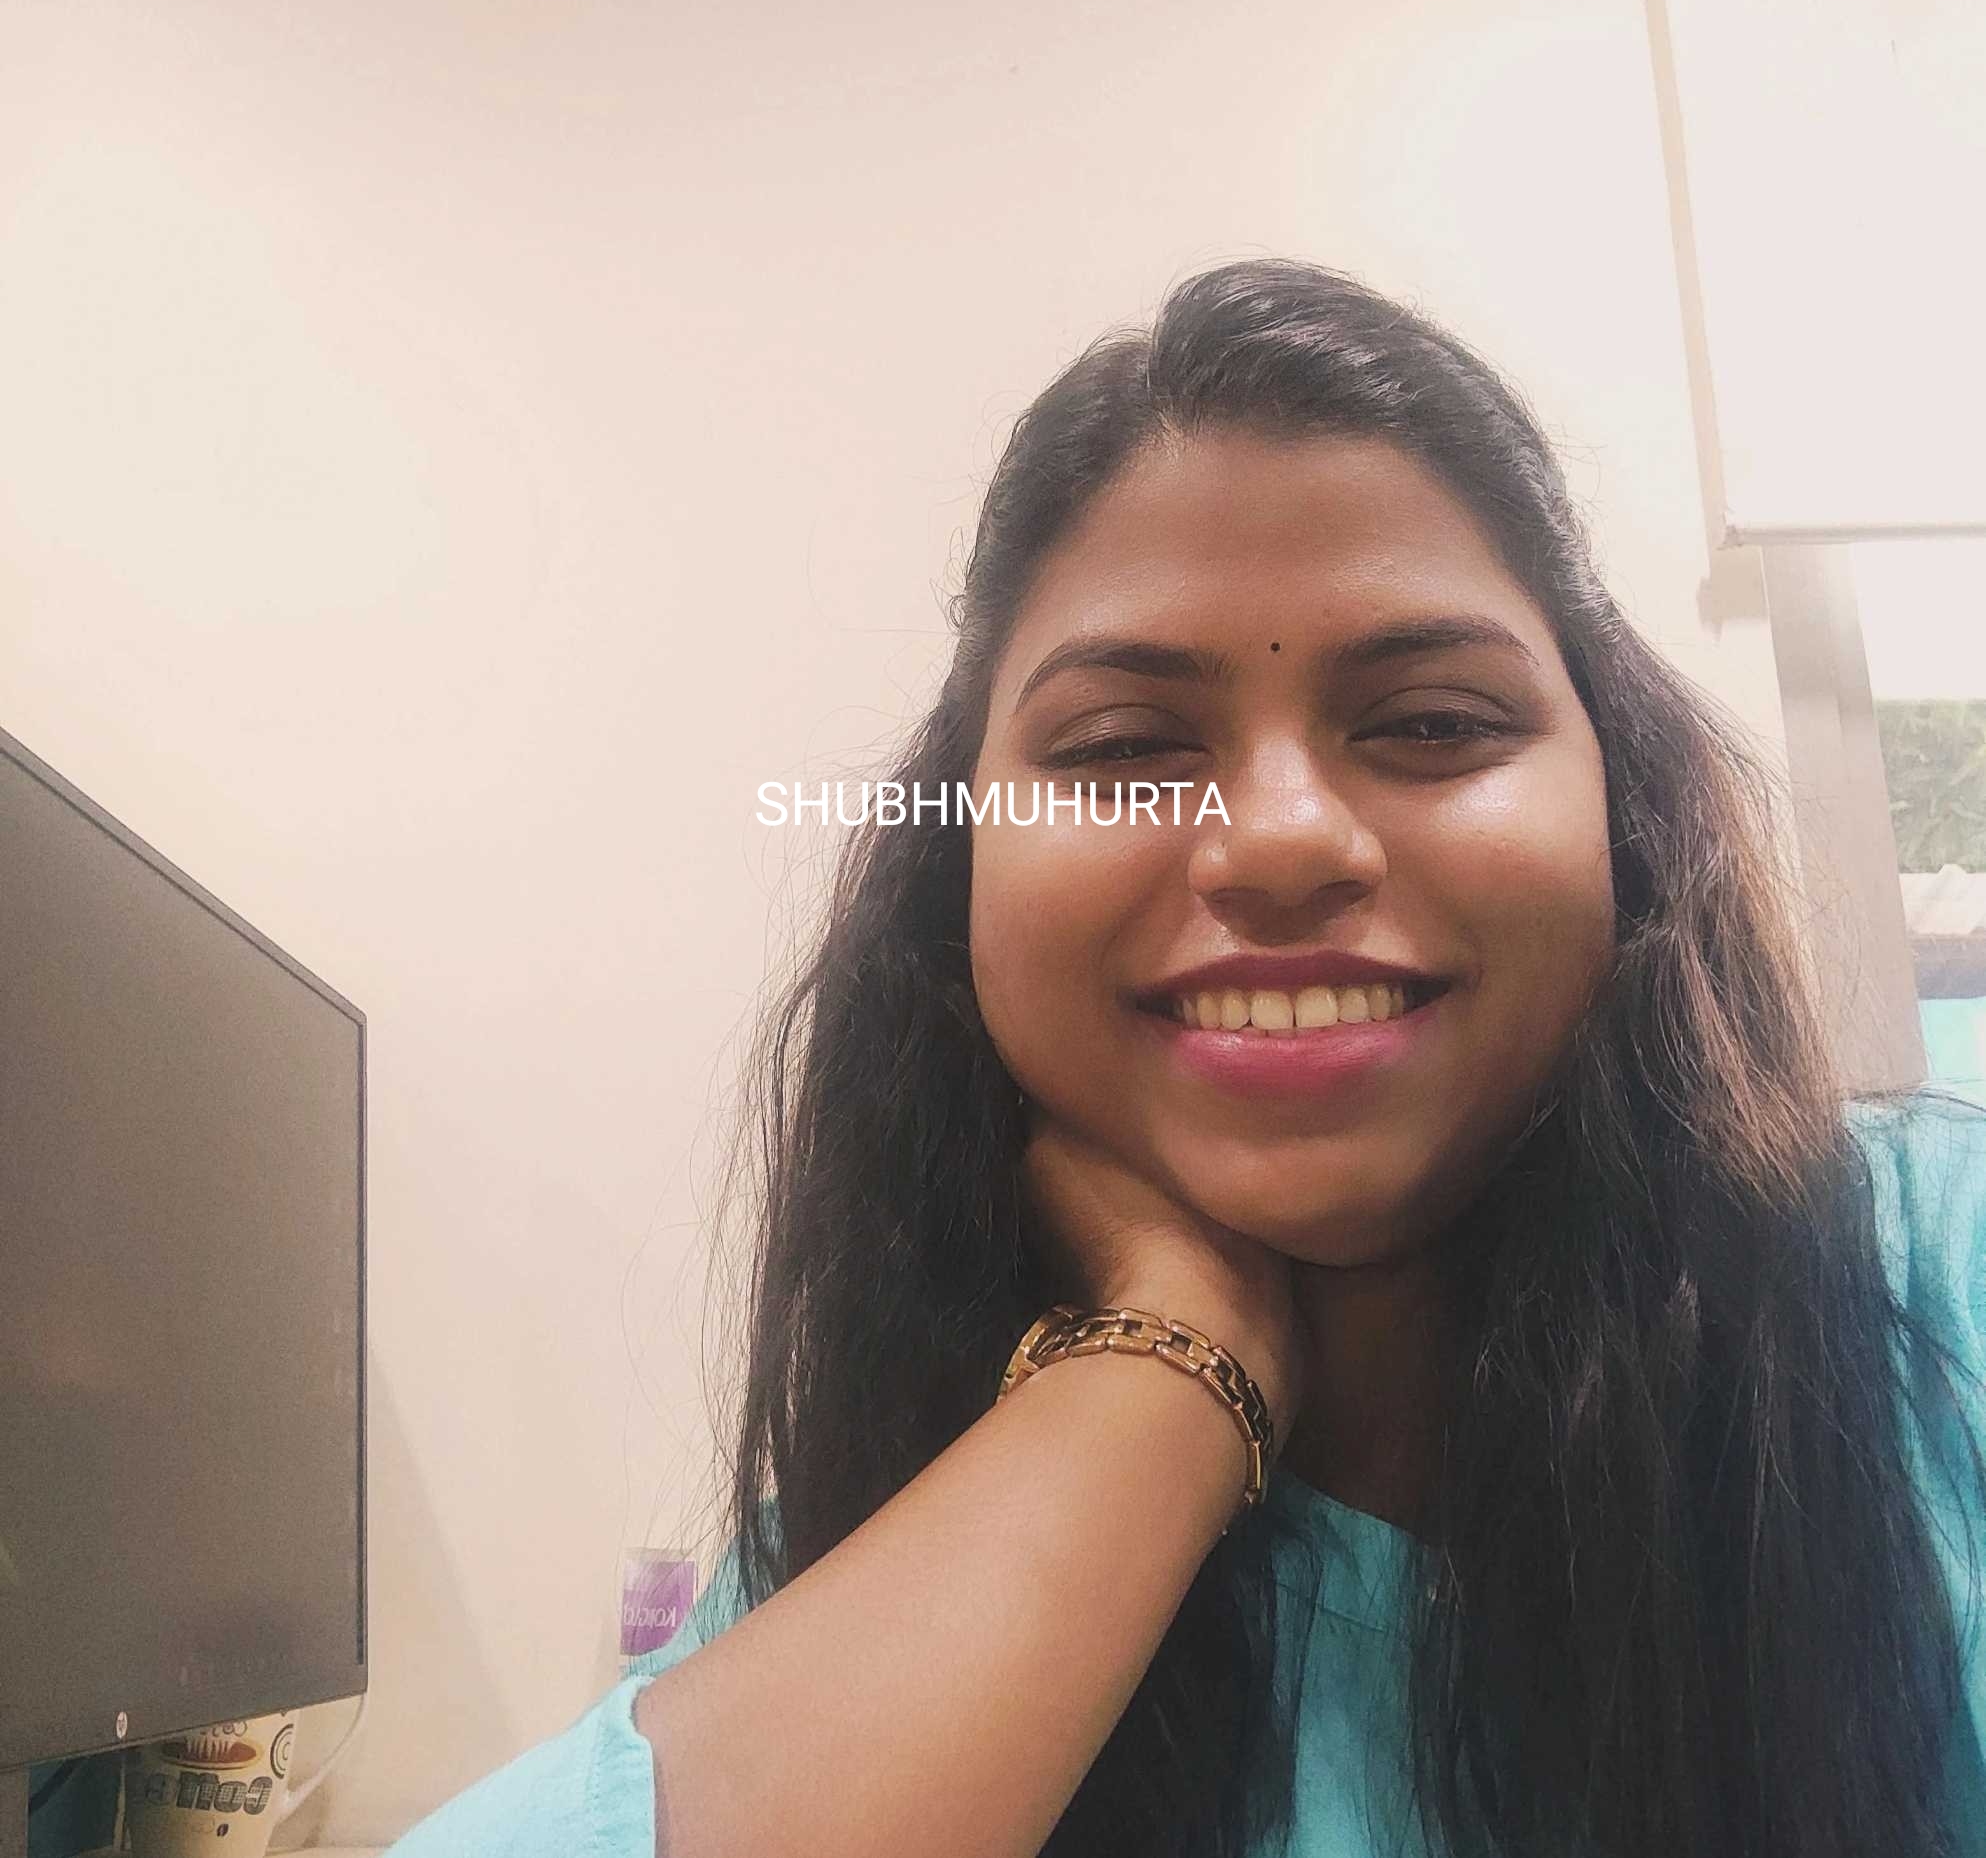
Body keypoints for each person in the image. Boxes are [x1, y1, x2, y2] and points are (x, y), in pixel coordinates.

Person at [382, 259, 1986, 1858]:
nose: (1279, 840)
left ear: (1620, 810)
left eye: (1432, 721)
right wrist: (1166, 1363)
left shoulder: (1937, 1273)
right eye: (1124, 748)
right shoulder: (881, 1540)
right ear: (956, 877)